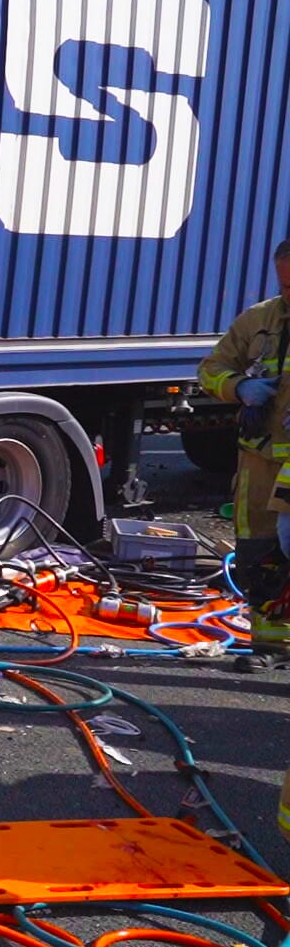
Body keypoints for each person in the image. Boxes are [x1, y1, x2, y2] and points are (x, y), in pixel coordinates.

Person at [197, 239, 290, 668]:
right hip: (259, 460)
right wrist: (239, 388)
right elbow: (210, 370)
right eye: (284, 283)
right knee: (258, 552)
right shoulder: (258, 319)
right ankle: (271, 646)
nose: (288, 292)